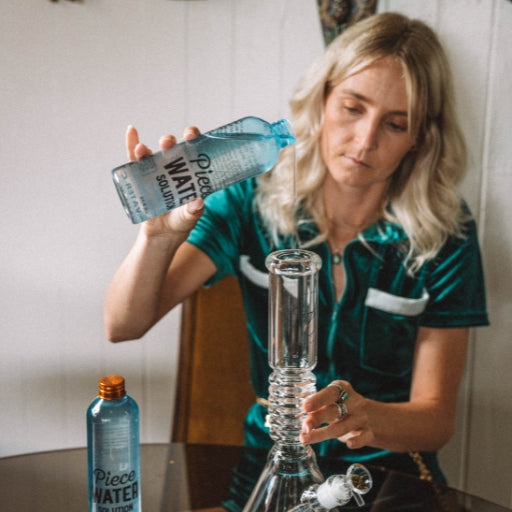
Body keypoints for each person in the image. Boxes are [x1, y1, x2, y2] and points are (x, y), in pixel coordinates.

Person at [104, 11, 488, 511]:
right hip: (265, 474)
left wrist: (367, 416)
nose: (366, 140)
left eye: (396, 124)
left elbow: (435, 420)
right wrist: (157, 237)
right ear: (322, 99)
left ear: (420, 139)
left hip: (388, 487)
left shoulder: (444, 231)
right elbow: (122, 325)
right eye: (353, 107)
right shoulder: (249, 198)